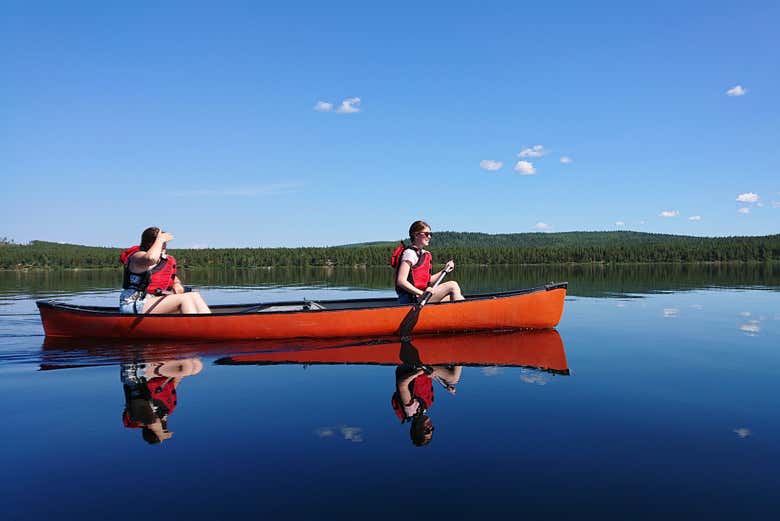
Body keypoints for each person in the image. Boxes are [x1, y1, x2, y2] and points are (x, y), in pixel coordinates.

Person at [119, 227, 211, 314]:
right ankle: (196, 328)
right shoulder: (137, 257)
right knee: (185, 299)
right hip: (133, 304)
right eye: (162, 243)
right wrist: (160, 239)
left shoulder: (163, 260)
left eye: (164, 243)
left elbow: (173, 279)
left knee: (194, 295)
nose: (164, 245)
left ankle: (209, 325)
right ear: (150, 243)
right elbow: (151, 258)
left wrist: (177, 284)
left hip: (152, 302)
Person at [120, 358, 203, 445]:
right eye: (165, 428)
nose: (164, 427)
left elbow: (151, 423)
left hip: (142, 375)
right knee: (196, 366)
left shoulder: (139, 418)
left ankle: (146, 363)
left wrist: (159, 434)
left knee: (185, 367)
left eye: (162, 429)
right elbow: (173, 383)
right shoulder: (168, 409)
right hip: (161, 371)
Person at [392, 220, 464, 305]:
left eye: (430, 234)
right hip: (412, 299)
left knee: (452, 297)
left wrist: (445, 270)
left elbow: (428, 281)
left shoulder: (423, 253)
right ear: (416, 235)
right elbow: (401, 281)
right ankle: (465, 316)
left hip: (420, 297)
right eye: (426, 234)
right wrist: (421, 293)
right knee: (453, 285)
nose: (429, 237)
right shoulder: (410, 253)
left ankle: (460, 316)